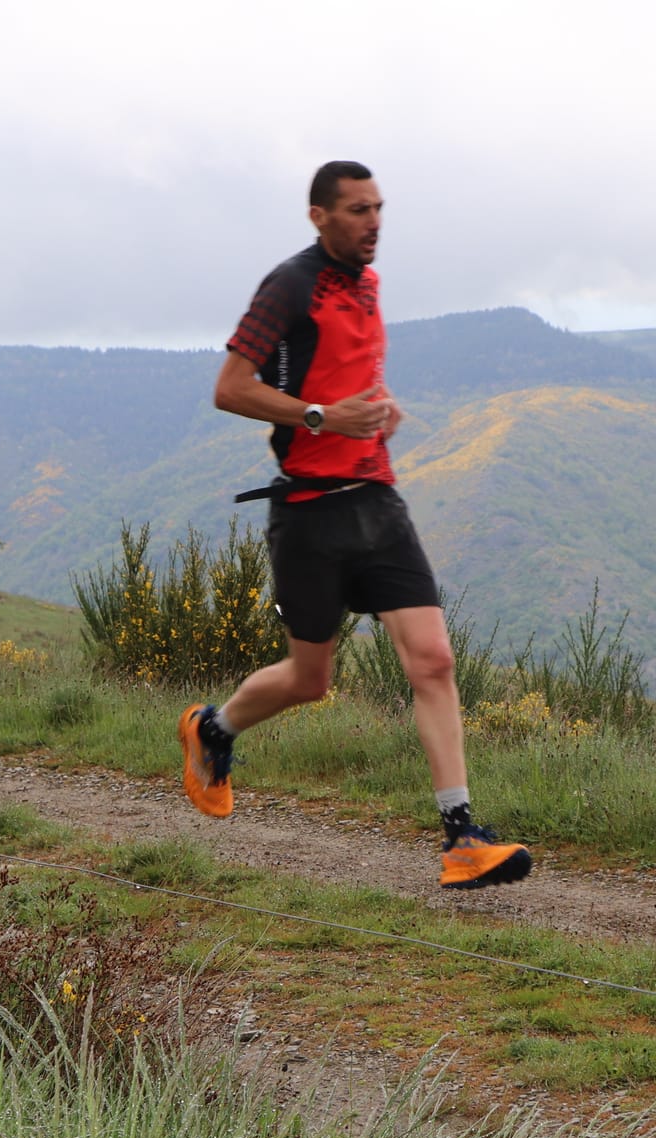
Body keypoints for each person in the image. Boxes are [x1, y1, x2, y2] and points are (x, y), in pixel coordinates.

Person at [178, 160, 532, 890]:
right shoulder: (289, 285)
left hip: (376, 498)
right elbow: (230, 388)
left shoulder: (368, 285)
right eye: (357, 211)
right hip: (307, 513)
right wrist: (320, 415)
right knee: (312, 680)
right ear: (319, 216)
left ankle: (462, 834)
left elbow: (348, 370)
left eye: (379, 209)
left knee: (432, 658)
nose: (373, 223)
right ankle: (213, 728)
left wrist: (379, 405)